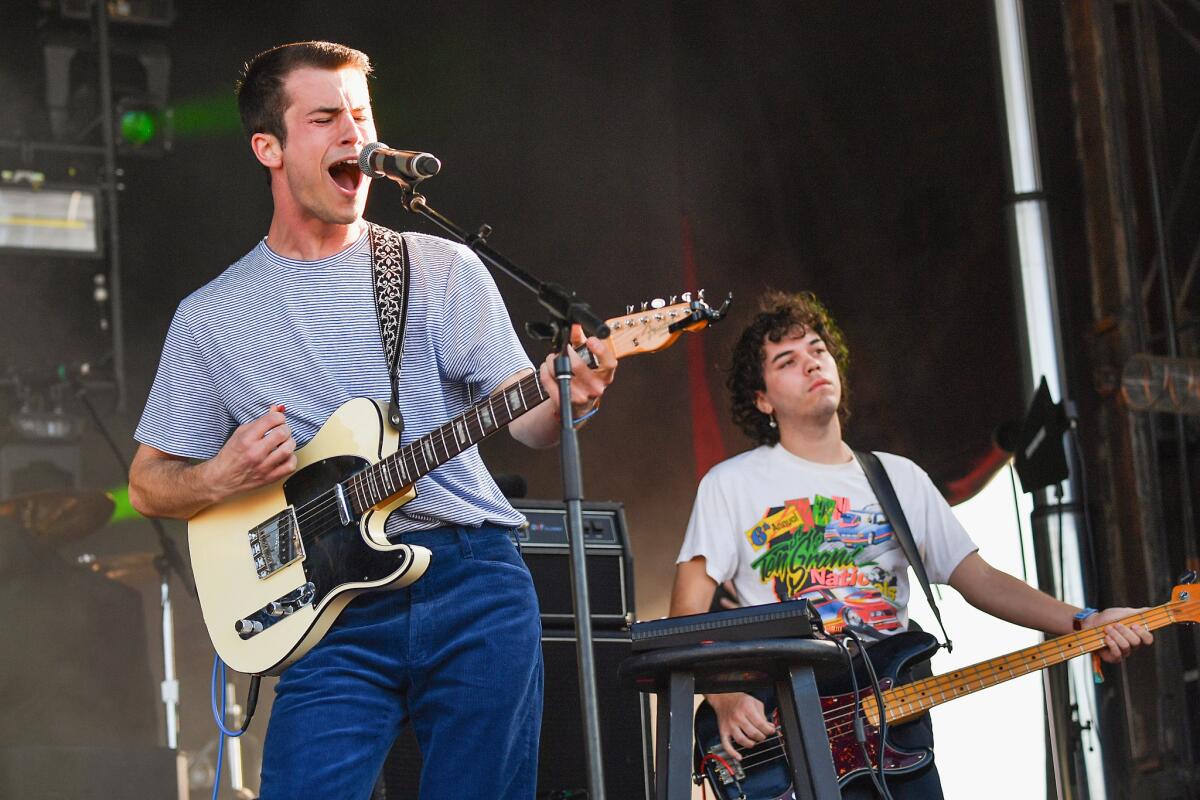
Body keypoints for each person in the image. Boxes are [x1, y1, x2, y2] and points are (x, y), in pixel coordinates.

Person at [127, 41, 616, 799]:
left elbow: (530, 423)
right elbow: (149, 485)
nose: (354, 133)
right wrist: (222, 473)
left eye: (360, 114)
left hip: (471, 582)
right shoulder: (210, 318)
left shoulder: (440, 267)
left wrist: (569, 396)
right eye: (325, 117)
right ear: (269, 146)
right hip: (329, 614)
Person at [668, 290, 1150, 799]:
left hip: (894, 720)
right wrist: (723, 696)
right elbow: (686, 615)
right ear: (762, 399)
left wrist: (1085, 620)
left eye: (817, 350)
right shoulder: (732, 485)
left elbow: (980, 579)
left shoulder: (898, 478)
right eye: (787, 360)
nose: (810, 364)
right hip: (789, 720)